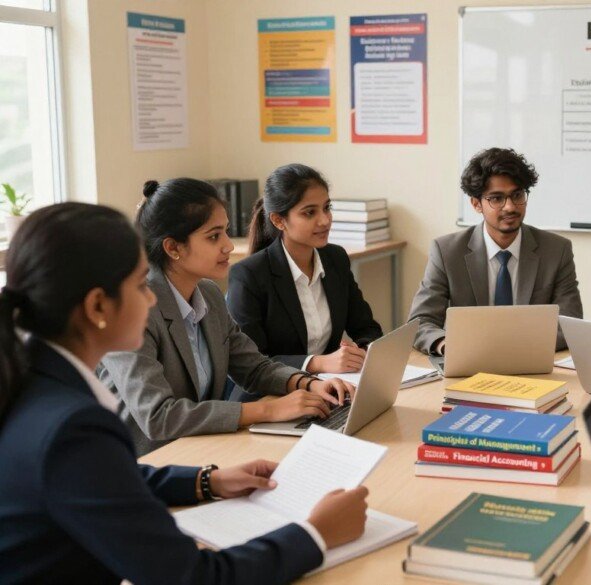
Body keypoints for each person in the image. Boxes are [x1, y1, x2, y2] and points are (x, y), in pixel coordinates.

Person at [0, 202, 370, 584]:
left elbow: (106, 479)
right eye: (141, 284)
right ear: (97, 306)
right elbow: (193, 578)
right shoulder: (72, 424)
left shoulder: (34, 380)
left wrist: (205, 481)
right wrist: (316, 533)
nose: (150, 299)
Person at [98, 179, 353, 455]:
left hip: (199, 448)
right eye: (214, 236)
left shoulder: (208, 294)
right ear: (173, 248)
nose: (229, 246)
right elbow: (159, 417)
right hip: (144, 463)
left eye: (227, 232)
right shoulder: (132, 311)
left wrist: (309, 383)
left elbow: (253, 367)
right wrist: (265, 409)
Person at [408, 147, 583, 355]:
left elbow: (570, 324)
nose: (510, 207)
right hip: (469, 361)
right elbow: (420, 322)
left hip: (532, 361)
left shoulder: (556, 250)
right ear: (476, 204)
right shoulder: (447, 252)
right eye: (497, 198)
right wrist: (446, 345)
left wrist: (509, 349)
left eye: (517, 195)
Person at [228, 163, 383, 375]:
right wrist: (317, 363)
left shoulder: (335, 258)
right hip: (273, 394)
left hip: (330, 385)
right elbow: (252, 361)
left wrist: (361, 351)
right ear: (278, 220)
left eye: (327, 208)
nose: (325, 220)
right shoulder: (249, 275)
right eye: (309, 213)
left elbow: (367, 328)